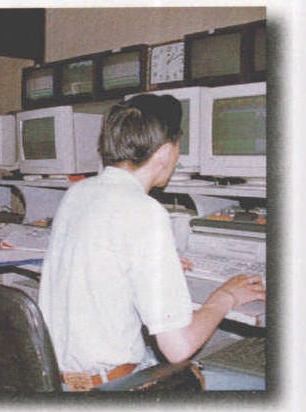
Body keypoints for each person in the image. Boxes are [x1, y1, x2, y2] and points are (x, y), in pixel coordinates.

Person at [37, 94, 266, 391]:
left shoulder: (79, 192)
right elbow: (178, 347)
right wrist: (226, 296)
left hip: (59, 382)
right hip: (113, 389)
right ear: (166, 151)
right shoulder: (144, 211)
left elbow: (99, 261)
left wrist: (150, 266)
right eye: (178, 146)